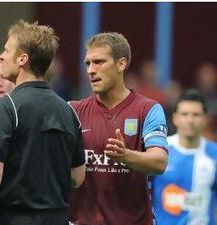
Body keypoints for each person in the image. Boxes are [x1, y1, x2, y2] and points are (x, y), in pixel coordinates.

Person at [0, 20, 86, 225]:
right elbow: (77, 177)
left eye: (7, 50)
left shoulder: (7, 107)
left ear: (22, 59)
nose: (2, 56)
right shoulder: (69, 111)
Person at [68, 32, 168, 225]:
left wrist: (126, 156)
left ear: (121, 64)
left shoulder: (147, 109)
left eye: (99, 62)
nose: (91, 70)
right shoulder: (73, 110)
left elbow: (159, 162)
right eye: (88, 63)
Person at [152, 89, 217, 225]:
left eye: (196, 115)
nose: (190, 120)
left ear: (206, 119)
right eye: (185, 114)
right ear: (175, 118)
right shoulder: (159, 150)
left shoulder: (214, 155)